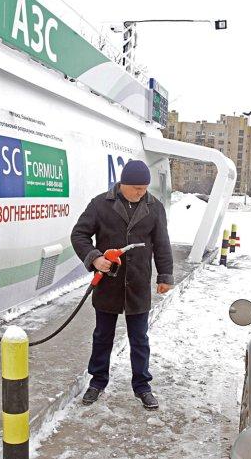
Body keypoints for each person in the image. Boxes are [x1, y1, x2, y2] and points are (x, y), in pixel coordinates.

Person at [70, 160, 174, 410]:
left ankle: (142, 386)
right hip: (109, 282)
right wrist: (95, 258)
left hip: (138, 283)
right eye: (137, 188)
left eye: (144, 188)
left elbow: (162, 243)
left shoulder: (154, 207)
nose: (141, 192)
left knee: (139, 338)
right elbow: (79, 235)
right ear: (123, 185)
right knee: (102, 336)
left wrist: (165, 276)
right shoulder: (100, 204)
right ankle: (97, 381)